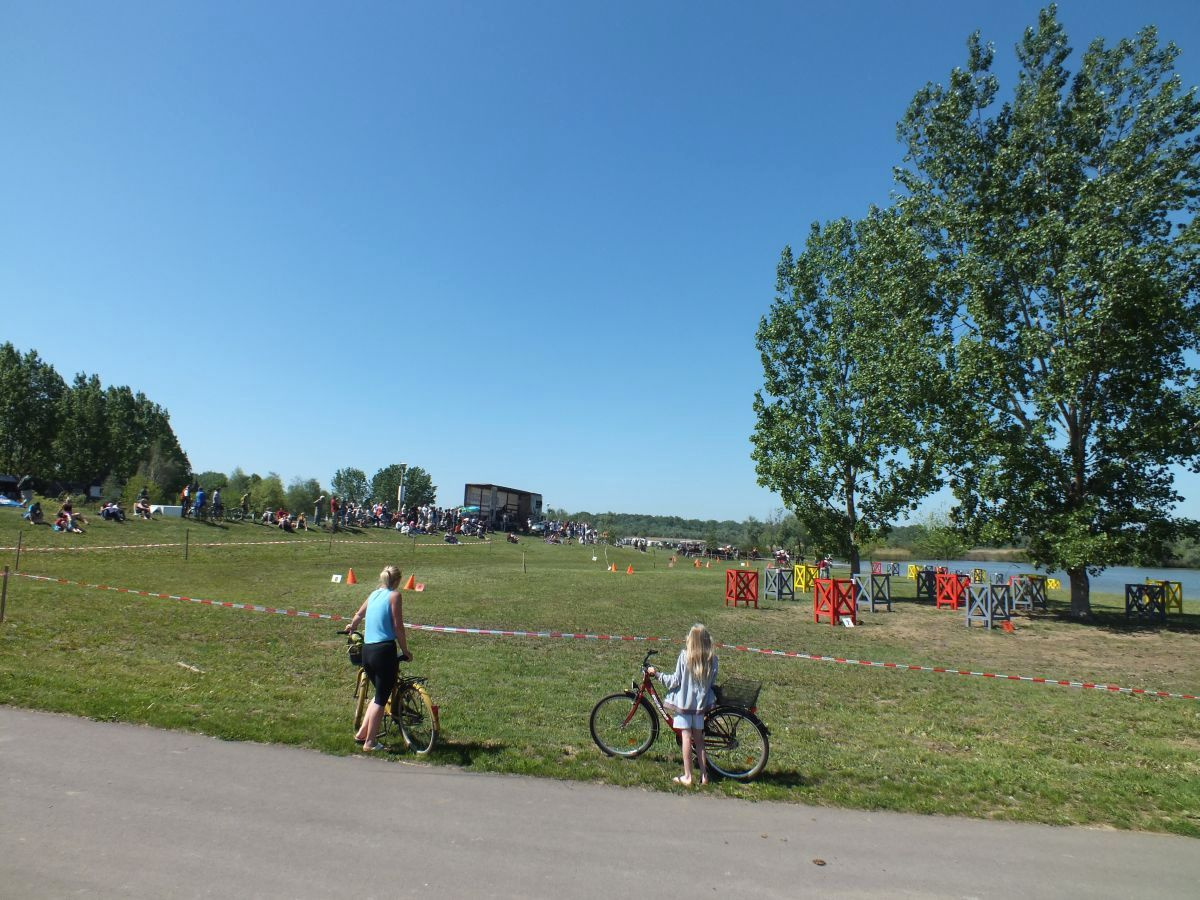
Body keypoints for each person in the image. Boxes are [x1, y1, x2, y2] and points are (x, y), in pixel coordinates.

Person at [344, 565, 412, 752]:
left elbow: (359, 614)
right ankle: (370, 742)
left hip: (367, 651)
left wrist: (352, 626)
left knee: (378, 694)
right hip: (384, 651)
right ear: (397, 581)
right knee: (382, 698)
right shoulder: (395, 596)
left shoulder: (373, 594)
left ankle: (362, 734)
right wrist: (405, 650)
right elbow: (398, 627)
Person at [646, 623, 718, 787]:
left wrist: (656, 674)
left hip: (684, 706)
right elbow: (712, 682)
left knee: (686, 737)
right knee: (699, 740)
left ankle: (688, 776)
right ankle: (704, 776)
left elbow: (675, 681)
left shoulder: (684, 657)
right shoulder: (713, 660)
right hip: (700, 708)